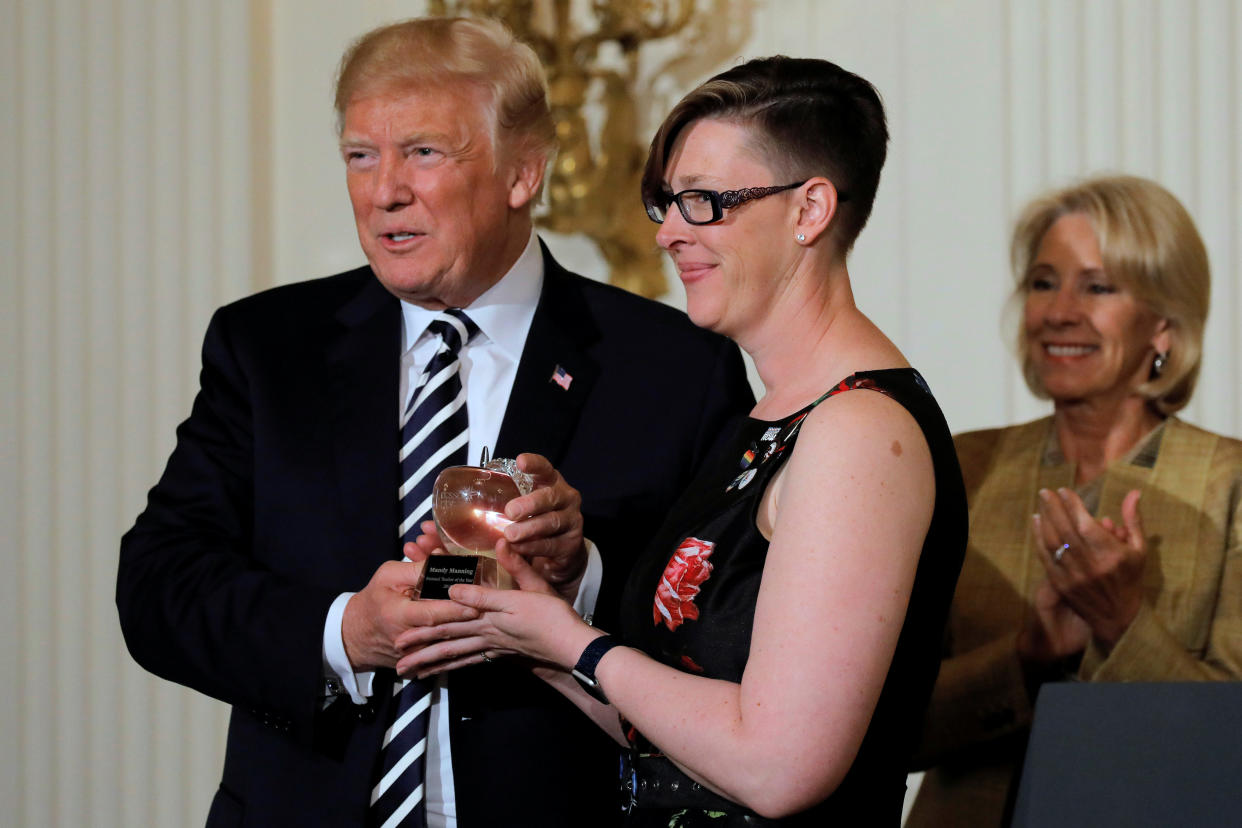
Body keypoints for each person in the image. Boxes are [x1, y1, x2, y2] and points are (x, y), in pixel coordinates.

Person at [116, 16, 754, 828]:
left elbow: (729, 637)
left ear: (523, 173)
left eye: (422, 151)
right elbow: (157, 586)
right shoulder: (267, 348)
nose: (384, 190)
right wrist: (345, 631)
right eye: (360, 155)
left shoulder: (671, 366)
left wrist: (578, 577)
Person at [400, 56, 969, 825]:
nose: (669, 234)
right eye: (667, 202)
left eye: (704, 202)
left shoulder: (859, 433)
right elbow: (672, 739)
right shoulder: (766, 421)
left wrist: (570, 642)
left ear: (810, 210)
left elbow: (777, 769)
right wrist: (526, 623)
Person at [906, 174, 1242, 827]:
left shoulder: (1229, 482)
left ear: (1164, 326)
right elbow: (884, 728)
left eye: (1097, 286)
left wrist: (1122, 625)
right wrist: (1026, 660)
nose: (1059, 311)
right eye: (1042, 282)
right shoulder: (961, 466)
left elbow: (1232, 743)